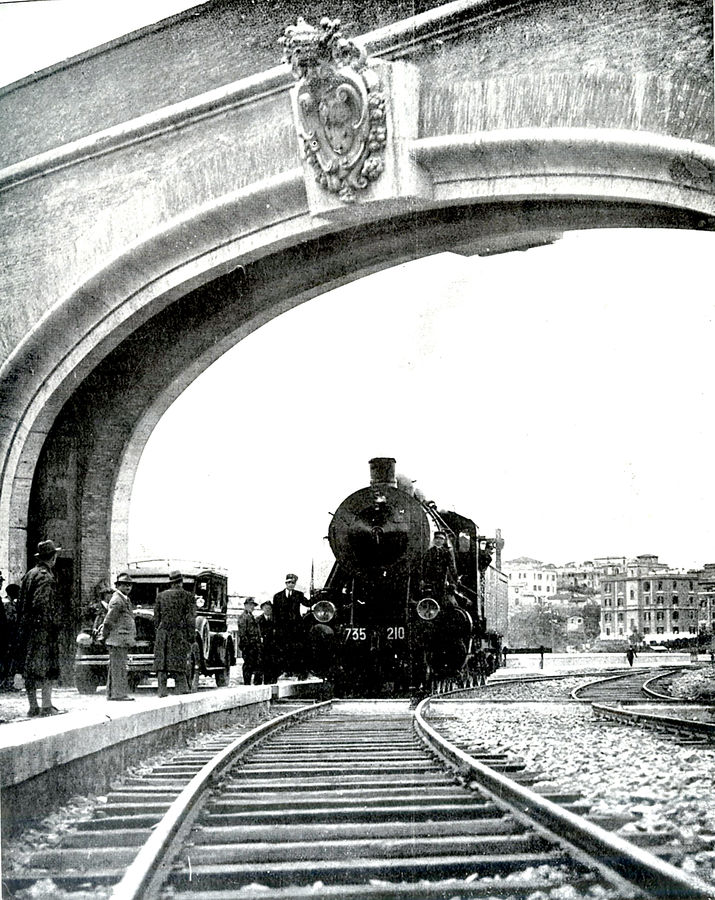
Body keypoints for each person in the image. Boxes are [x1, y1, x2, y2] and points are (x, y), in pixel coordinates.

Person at [16, 540, 63, 716]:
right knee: (46, 667)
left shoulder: (30, 574)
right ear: (53, 557)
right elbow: (42, 605)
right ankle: (46, 706)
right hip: (43, 631)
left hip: (28, 630)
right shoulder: (45, 577)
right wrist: (52, 624)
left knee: (30, 668)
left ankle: (33, 706)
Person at [154, 570, 196, 697]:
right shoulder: (188, 596)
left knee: (162, 663)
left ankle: (162, 691)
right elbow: (190, 619)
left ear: (171, 583)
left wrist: (160, 631)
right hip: (179, 633)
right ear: (181, 582)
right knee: (178, 663)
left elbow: (156, 619)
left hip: (162, 632)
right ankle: (181, 690)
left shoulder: (161, 596)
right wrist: (191, 637)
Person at [100, 572, 136, 701]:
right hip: (117, 639)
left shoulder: (124, 599)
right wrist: (104, 636)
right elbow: (109, 621)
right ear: (117, 586)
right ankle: (119, 694)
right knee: (119, 667)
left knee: (115, 666)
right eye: (124, 585)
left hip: (120, 639)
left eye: (129, 585)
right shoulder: (117, 600)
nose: (128, 587)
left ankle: (112, 693)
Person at [273, 574, 307, 678]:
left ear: (295, 584)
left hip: (296, 628)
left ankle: (295, 670)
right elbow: (275, 613)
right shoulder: (277, 596)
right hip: (283, 628)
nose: (291, 584)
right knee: (284, 649)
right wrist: (275, 627)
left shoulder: (299, 595)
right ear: (286, 583)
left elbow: (307, 603)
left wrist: (318, 597)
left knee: (295, 649)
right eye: (289, 582)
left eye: (293, 583)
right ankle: (286, 670)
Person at [421, 532, 457, 601]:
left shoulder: (447, 552)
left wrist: (453, 581)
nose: (438, 540)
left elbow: (451, 567)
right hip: (430, 581)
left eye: (441, 539)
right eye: (437, 538)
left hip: (442, 581)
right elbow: (424, 566)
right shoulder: (429, 552)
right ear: (434, 540)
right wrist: (422, 579)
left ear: (444, 541)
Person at [237, 597, 262, 685]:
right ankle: (247, 683)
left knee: (257, 664)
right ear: (245, 605)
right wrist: (246, 645)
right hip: (249, 645)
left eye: (253, 605)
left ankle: (256, 684)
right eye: (250, 605)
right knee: (248, 664)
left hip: (255, 645)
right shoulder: (243, 617)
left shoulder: (251, 617)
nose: (252, 607)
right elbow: (242, 633)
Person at [257, 600, 279, 684]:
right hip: (262, 647)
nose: (268, 610)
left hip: (272, 647)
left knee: (271, 665)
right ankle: (258, 682)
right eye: (266, 608)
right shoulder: (258, 620)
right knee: (261, 665)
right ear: (263, 609)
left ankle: (270, 681)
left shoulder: (275, 620)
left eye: (269, 608)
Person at [3, 583, 20, 689]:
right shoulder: (7, 604)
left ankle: (8, 681)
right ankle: (5, 682)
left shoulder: (12, 603)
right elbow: (9, 620)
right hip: (7, 635)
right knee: (7, 660)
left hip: (11, 635)